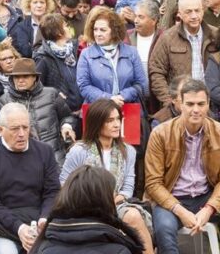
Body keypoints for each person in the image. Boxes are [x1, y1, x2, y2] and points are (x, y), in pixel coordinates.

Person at [145, 79, 220, 253]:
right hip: (172, 199)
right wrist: (180, 211)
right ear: (180, 105)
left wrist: (209, 209)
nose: (196, 109)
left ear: (208, 104)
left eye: (201, 104)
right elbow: (153, 183)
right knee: (164, 229)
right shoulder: (161, 134)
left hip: (206, 195)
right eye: (190, 104)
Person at [59, 99, 154, 253]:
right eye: (110, 120)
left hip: (115, 204)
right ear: (97, 123)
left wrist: (113, 200)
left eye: (118, 119)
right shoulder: (79, 151)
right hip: (83, 207)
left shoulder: (128, 151)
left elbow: (128, 187)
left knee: (134, 216)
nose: (117, 124)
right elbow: (64, 184)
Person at [0, 103, 61, 253]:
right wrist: (19, 228)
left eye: (25, 127)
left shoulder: (44, 151)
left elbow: (52, 192)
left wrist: (45, 218)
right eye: (15, 129)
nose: (21, 134)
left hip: (39, 222)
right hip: (2, 226)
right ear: (0, 129)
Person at [29, 165, 144, 253]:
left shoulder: (43, 247)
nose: (115, 196)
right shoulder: (119, 250)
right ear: (102, 200)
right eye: (112, 193)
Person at [0, 58, 78, 164]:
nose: (20, 80)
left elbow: (68, 116)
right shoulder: (4, 100)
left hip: (55, 157)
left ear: (35, 77)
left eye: (25, 76)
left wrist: (66, 126)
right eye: (16, 77)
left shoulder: (51, 94)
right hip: (21, 160)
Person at [149, 0, 217, 106]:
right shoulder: (167, 38)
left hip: (211, 103)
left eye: (197, 10)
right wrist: (171, 102)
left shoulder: (215, 35)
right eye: (188, 12)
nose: (194, 16)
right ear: (179, 14)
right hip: (180, 105)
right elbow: (156, 72)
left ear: (203, 11)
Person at [77, 7, 148, 105]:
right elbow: (84, 86)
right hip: (98, 111)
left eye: (103, 30)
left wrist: (122, 96)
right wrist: (109, 98)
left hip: (128, 108)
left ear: (114, 31)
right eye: (95, 29)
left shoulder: (131, 52)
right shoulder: (86, 54)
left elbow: (141, 84)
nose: (98, 34)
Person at [34, 14, 82, 112]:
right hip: (60, 112)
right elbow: (37, 86)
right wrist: (55, 94)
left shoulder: (75, 50)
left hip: (80, 110)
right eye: (65, 26)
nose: (69, 28)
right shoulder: (43, 57)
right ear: (58, 32)